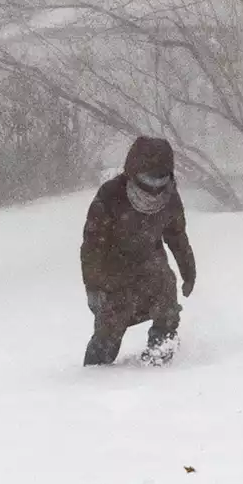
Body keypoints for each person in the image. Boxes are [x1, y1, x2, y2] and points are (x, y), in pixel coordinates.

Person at [79, 136, 196, 366]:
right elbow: (92, 246)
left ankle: (161, 354)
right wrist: (93, 287)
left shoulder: (170, 196)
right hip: (113, 272)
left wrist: (188, 271)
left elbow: (177, 236)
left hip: (152, 265)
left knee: (167, 305)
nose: (153, 188)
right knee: (109, 332)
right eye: (146, 179)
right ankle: (93, 377)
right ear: (132, 173)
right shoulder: (110, 196)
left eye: (160, 180)